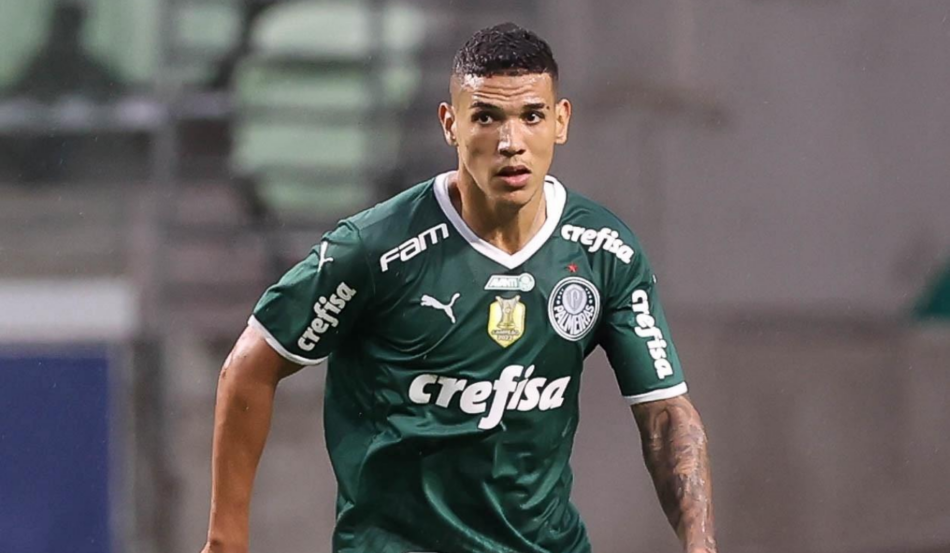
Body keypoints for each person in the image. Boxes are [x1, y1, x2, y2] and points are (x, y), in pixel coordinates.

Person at [201, 23, 717, 553]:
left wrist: (700, 545)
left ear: (560, 121)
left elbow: (664, 414)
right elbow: (250, 365)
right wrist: (226, 540)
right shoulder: (374, 248)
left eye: (531, 116)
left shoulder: (605, 251)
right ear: (451, 124)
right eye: (487, 118)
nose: (511, 143)